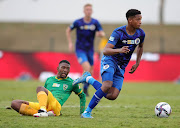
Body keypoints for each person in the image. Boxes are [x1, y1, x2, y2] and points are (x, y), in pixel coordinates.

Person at [73, 9, 145, 118]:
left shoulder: (140, 33)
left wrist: (137, 62)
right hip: (110, 60)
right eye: (138, 19)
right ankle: (87, 112)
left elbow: (140, 46)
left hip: (122, 66)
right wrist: (119, 50)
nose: (140, 21)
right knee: (107, 85)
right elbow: (105, 50)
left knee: (112, 95)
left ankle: (88, 79)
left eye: (141, 19)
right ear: (130, 20)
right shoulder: (119, 32)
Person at [11, 60, 86, 117]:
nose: (65, 70)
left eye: (67, 68)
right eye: (63, 68)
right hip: (44, 106)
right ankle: (39, 112)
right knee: (14, 104)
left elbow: (82, 95)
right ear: (57, 68)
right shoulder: (49, 79)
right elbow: (44, 95)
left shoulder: (72, 83)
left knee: (40, 88)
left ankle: (42, 111)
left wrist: (82, 113)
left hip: (56, 106)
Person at [66, 3, 105, 96]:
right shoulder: (78, 22)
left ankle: (85, 89)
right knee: (86, 68)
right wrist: (70, 42)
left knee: (90, 70)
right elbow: (68, 30)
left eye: (90, 10)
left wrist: (100, 34)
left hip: (90, 50)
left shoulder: (95, 22)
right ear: (84, 11)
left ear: (92, 11)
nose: (88, 11)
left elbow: (102, 33)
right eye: (87, 9)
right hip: (80, 49)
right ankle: (76, 85)